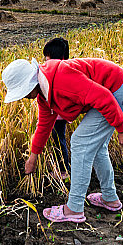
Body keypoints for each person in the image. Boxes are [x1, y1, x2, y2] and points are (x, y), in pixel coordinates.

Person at [2, 55, 123, 223]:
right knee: (96, 146)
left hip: (118, 91)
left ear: (30, 83)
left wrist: (122, 130)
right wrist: (33, 156)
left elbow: (103, 97)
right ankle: (110, 198)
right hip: (115, 91)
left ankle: (74, 209)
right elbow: (44, 125)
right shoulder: (44, 92)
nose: (23, 97)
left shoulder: (60, 79)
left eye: (22, 92)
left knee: (80, 142)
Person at [42, 37, 70, 178]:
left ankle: (63, 170)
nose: (46, 63)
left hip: (58, 115)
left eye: (47, 59)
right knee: (58, 140)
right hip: (57, 114)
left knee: (59, 140)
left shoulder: (60, 72)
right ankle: (63, 168)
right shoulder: (63, 69)